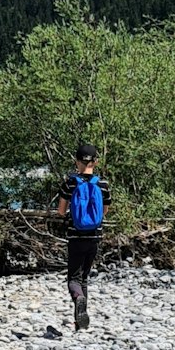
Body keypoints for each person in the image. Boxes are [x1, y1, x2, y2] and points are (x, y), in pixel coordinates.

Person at [56, 141, 111, 330]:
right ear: (95, 162)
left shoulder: (70, 182)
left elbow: (61, 211)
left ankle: (78, 299)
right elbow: (104, 212)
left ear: (76, 161)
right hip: (94, 236)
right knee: (85, 278)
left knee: (74, 279)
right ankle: (81, 323)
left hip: (75, 236)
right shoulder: (103, 184)